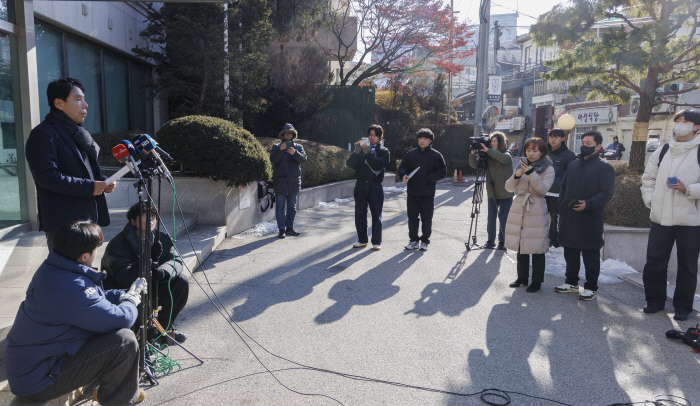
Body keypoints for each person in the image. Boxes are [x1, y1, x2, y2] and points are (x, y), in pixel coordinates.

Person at [4, 221, 147, 405]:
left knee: (112, 334)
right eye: (96, 247)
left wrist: (123, 294)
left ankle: (114, 392)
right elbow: (122, 318)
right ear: (84, 256)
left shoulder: (55, 268)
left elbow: (96, 299)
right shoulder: (71, 286)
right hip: (38, 379)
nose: (97, 251)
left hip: (32, 366)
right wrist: (131, 299)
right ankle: (119, 400)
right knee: (123, 342)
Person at [25, 78, 116, 251]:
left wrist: (103, 181)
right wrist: (89, 187)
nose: (85, 104)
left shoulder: (78, 132)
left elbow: (82, 168)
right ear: (59, 103)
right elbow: (47, 177)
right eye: (78, 99)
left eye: (84, 99)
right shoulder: (43, 134)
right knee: (65, 274)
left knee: (82, 273)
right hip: (64, 223)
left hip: (87, 219)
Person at [640, 110, 700, 321]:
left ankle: (683, 307)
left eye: (686, 121)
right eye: (678, 120)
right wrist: (651, 200)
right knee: (655, 262)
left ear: (696, 127)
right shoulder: (664, 149)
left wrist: (688, 189)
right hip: (661, 217)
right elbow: (648, 178)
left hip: (690, 220)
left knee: (687, 265)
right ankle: (654, 301)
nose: (680, 124)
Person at [102, 202, 188, 343]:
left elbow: (176, 261)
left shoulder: (162, 238)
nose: (150, 219)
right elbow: (125, 276)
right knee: (141, 290)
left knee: (181, 282)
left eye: (153, 215)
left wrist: (164, 272)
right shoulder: (118, 244)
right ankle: (140, 337)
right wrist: (148, 260)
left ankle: (164, 328)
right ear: (133, 221)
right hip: (126, 291)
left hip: (152, 283)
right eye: (144, 215)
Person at [555, 131, 615, 301]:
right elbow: (563, 187)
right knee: (570, 250)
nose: (584, 146)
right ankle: (571, 282)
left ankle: (591, 287)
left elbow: (606, 193)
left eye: (588, 143)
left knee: (590, 254)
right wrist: (562, 205)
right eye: (582, 142)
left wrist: (588, 204)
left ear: (598, 147)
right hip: (570, 215)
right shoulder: (573, 165)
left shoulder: (605, 168)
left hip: (590, 218)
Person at [504, 137, 555, 293]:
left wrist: (531, 173)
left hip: (536, 207)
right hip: (520, 206)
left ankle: (537, 281)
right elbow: (508, 188)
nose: (531, 154)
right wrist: (516, 176)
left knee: (537, 246)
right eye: (528, 150)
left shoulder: (548, 168)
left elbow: (542, 189)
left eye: (535, 150)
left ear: (542, 152)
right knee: (521, 245)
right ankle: (522, 278)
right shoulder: (521, 165)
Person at [398, 128, 447, 251]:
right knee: (412, 217)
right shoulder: (410, 154)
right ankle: (413, 240)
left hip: (427, 192)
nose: (422, 141)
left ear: (430, 141)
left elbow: (442, 171)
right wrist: (403, 175)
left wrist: (429, 178)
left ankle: (425, 241)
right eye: (420, 138)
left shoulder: (436, 155)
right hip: (412, 192)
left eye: (425, 139)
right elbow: (403, 166)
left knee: (426, 218)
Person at [468, 131, 514, 249]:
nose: (492, 143)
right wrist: (473, 155)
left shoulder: (506, 154)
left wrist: (488, 151)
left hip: (505, 193)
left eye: (495, 141)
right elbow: (475, 165)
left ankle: (503, 241)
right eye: (491, 141)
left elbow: (504, 159)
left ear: (501, 143)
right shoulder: (488, 156)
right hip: (491, 192)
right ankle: (491, 240)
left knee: (504, 218)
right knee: (491, 218)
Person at [347, 124, 390, 250]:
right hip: (360, 184)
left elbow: (378, 165)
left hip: (375, 186)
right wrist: (356, 152)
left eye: (375, 135)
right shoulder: (362, 149)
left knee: (376, 215)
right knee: (360, 214)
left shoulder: (384, 151)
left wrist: (369, 154)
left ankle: (376, 241)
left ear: (380, 137)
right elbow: (350, 165)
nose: (372, 138)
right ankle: (362, 240)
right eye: (370, 135)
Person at [270, 123, 308, 238]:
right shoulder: (276, 147)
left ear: (293, 135)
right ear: (283, 135)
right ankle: (281, 229)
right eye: (286, 134)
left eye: (290, 134)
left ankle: (289, 228)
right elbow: (273, 160)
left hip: (294, 182)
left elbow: (304, 159)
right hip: (280, 182)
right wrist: (280, 151)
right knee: (280, 207)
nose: (288, 136)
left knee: (292, 207)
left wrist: (295, 153)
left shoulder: (298, 147)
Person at [545, 129, 576, 248]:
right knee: (542, 215)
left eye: (556, 137)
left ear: (563, 139)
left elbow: (572, 174)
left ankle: (555, 240)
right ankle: (544, 236)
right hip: (542, 190)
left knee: (555, 217)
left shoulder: (569, 155)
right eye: (551, 136)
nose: (553, 139)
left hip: (557, 192)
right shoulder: (544, 152)